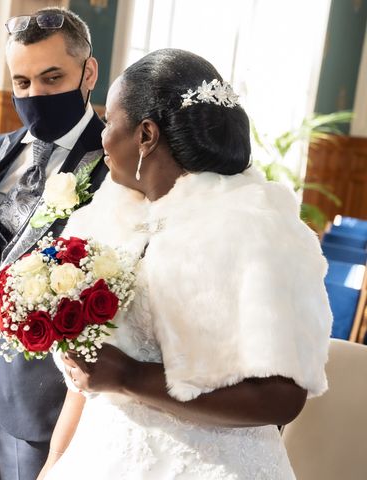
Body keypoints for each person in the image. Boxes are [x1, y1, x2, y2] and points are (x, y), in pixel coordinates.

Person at [39, 48, 332, 479]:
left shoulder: (252, 228)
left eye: (109, 120)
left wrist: (132, 377)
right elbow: (90, 384)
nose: (101, 135)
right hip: (104, 451)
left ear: (145, 135)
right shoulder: (114, 218)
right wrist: (56, 460)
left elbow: (282, 398)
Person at [0, 7, 108, 480]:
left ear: (88, 72)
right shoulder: (0, 149)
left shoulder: (114, 164)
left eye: (52, 77)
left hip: (39, 403)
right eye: (22, 83)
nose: (35, 94)